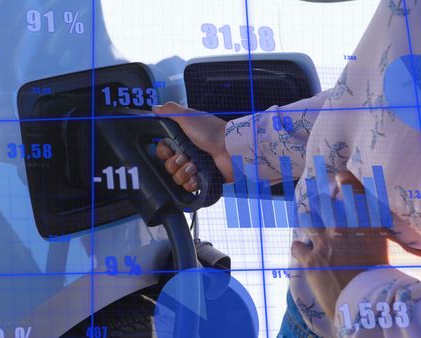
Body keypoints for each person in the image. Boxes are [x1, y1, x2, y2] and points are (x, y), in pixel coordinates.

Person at [154, 0, 421, 337]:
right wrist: (233, 146)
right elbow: (381, 100)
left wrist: (363, 290)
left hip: (367, 311)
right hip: (321, 302)